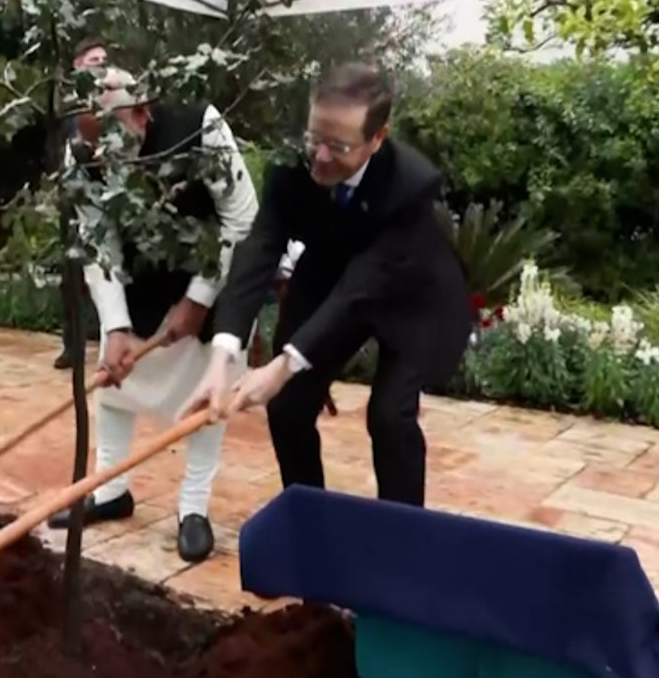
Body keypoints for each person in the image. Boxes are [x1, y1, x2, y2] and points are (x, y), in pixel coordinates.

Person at [184, 62, 471, 508]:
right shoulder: (290, 167)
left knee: (389, 417)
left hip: (412, 295)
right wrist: (222, 358)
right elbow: (260, 249)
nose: (319, 156)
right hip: (329, 275)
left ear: (377, 138)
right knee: (287, 406)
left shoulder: (412, 185)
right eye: (314, 138)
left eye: (338, 146)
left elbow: (362, 287)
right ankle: (310, 521)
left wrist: (283, 365)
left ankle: (403, 532)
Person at [46, 67, 259, 562]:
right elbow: (97, 238)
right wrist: (116, 325)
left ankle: (193, 508)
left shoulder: (201, 127)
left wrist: (198, 299)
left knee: (205, 396)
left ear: (141, 114)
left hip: (212, 270)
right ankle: (110, 490)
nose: (100, 155)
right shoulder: (82, 150)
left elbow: (242, 219)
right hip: (138, 277)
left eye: (111, 140)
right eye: (91, 141)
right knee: (116, 387)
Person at [52, 36, 109, 371]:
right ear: (78, 66)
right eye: (93, 61)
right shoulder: (67, 107)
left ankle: (108, 339)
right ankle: (72, 346)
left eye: (103, 60)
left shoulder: (114, 101)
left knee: (106, 271)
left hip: (104, 198)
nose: (100, 66)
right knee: (71, 276)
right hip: (71, 198)